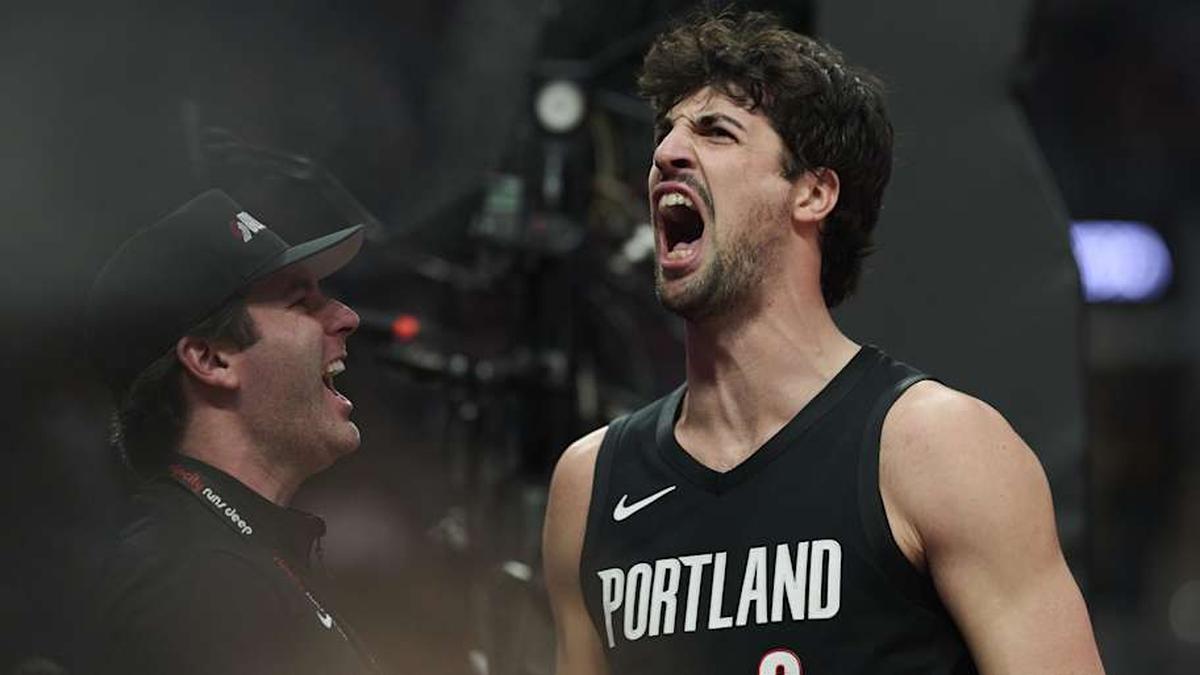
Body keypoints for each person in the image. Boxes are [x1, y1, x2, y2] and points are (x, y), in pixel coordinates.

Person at [542, 11, 1106, 675]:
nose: (666, 153)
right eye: (665, 134)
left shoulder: (937, 450)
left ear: (812, 193)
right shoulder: (591, 483)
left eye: (716, 132)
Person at [85, 189, 379, 674]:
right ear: (212, 359)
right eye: (302, 303)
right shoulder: (190, 582)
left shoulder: (232, 557)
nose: (346, 318)